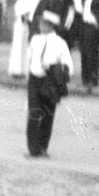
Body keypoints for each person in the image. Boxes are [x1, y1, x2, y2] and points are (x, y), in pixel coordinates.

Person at [24, 11, 73, 158]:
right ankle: (33, 150)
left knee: (47, 115)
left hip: (49, 82)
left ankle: (43, 147)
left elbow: (69, 67)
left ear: (50, 26)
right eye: (40, 23)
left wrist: (53, 67)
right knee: (33, 113)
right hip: (34, 79)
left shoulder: (60, 43)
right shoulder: (35, 39)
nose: (39, 25)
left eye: (43, 23)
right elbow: (29, 58)